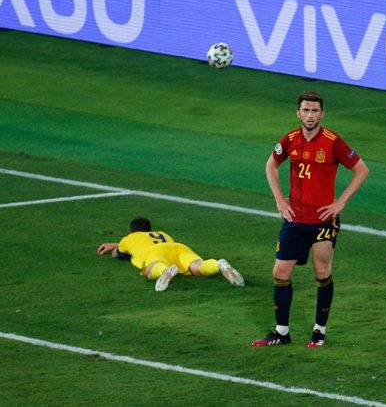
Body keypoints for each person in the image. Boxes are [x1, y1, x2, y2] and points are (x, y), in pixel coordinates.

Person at [251, 91, 369, 348]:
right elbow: (271, 165)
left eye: (315, 111)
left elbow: (362, 170)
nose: (310, 115)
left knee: (322, 270)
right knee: (280, 271)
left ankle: (319, 331)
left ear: (322, 114)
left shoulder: (333, 142)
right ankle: (282, 332)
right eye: (306, 110)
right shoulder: (290, 139)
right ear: (298, 113)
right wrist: (280, 200)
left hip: (323, 220)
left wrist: (341, 202)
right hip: (295, 219)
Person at [97, 217, 244, 292]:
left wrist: (115, 245)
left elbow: (118, 254)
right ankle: (219, 265)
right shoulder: (161, 233)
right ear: (150, 229)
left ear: (131, 232)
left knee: (150, 270)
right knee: (198, 268)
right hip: (177, 247)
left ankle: (165, 271)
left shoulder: (128, 239)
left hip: (154, 253)